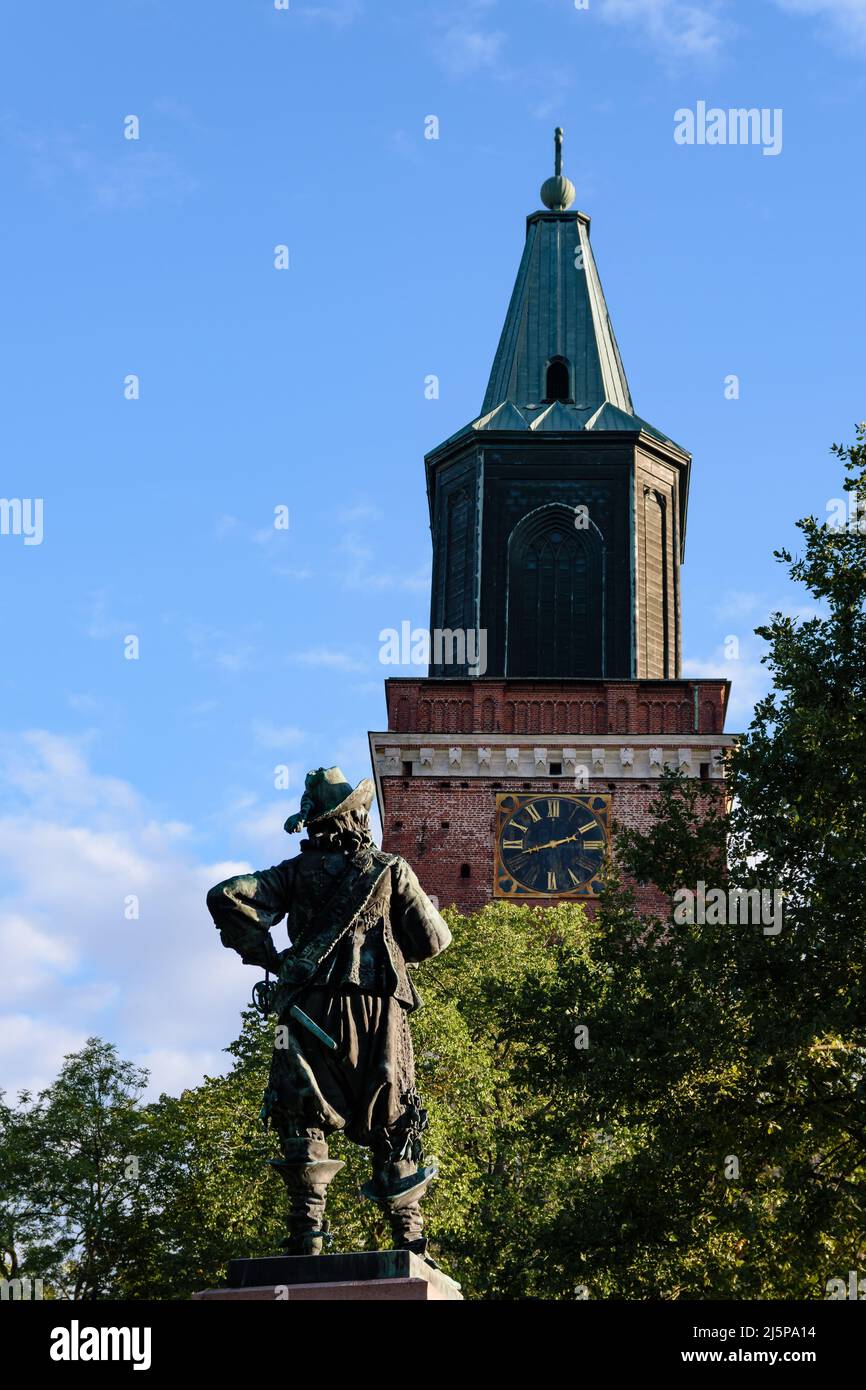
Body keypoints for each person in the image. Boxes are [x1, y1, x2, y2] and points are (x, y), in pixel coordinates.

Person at [206, 766, 452, 1260]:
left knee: (303, 1116)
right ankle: (410, 1242)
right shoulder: (389, 869)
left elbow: (226, 894)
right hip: (377, 1011)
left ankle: (307, 1238)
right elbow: (434, 940)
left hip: (308, 1008)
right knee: (393, 1117)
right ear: (357, 816)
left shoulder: (292, 874)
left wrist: (269, 957)